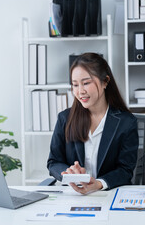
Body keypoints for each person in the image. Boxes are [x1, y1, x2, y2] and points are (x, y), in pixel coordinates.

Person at [47, 52, 139, 194]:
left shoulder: (126, 122)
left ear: (105, 82)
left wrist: (99, 184)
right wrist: (68, 173)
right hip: (73, 196)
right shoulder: (65, 119)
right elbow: (54, 162)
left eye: (86, 83)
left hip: (108, 194)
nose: (80, 91)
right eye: (75, 85)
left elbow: (125, 170)